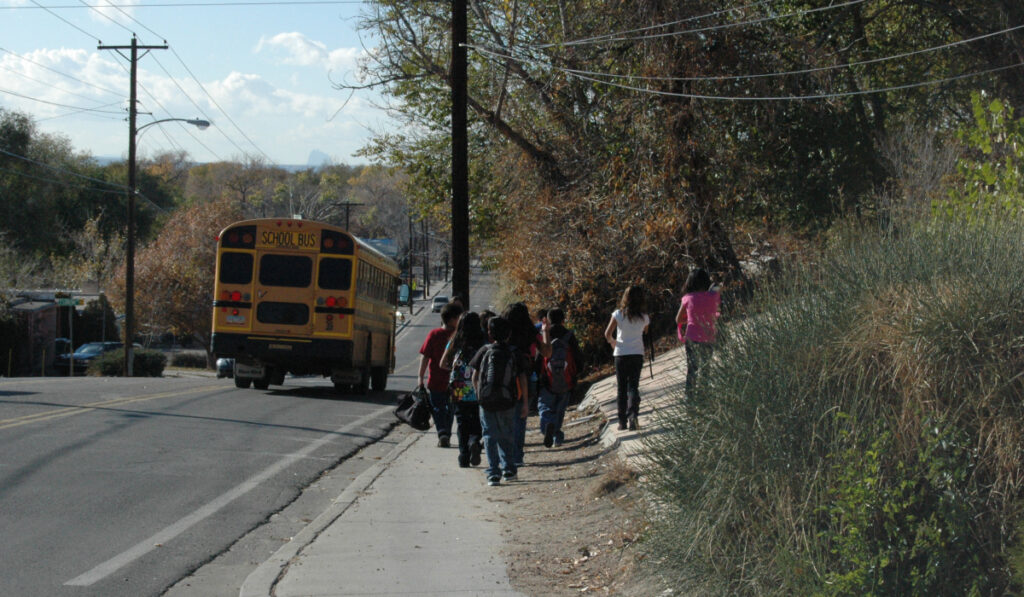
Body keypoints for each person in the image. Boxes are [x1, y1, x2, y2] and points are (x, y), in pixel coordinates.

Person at [470, 316, 528, 486]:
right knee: (507, 434)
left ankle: (493, 472)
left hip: (486, 402)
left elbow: (474, 376)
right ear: (509, 334)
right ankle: (508, 468)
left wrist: (479, 395)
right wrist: (524, 402)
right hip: (507, 400)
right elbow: (522, 378)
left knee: (489, 435)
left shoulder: (484, 350)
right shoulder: (514, 352)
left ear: (489, 333)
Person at [502, 302, 548, 466]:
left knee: (504, 419)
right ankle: (517, 456)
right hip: (527, 379)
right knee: (520, 419)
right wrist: (545, 332)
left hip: (504, 378)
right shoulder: (531, 333)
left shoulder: (504, 333)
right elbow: (547, 352)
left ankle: (506, 456)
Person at [439, 311, 486, 468]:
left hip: (458, 387)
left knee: (461, 422)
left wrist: (452, 369)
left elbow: (442, 363)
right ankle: (474, 441)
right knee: (477, 420)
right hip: (477, 385)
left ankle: (463, 456)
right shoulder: (483, 341)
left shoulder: (455, 341)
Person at [417, 302, 464, 447]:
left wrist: (420, 377)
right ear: (451, 319)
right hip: (458, 382)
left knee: (437, 408)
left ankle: (442, 432)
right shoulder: (460, 336)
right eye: (459, 318)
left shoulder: (434, 334)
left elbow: (425, 356)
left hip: (435, 381)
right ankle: (446, 434)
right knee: (452, 408)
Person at [604, 285, 650, 431]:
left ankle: (622, 422)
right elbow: (645, 332)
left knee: (621, 388)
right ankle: (633, 417)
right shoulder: (644, 317)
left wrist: (613, 342)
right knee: (633, 386)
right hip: (637, 353)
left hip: (621, 354)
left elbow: (607, 334)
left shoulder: (618, 314)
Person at [538, 307, 582, 447]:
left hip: (547, 380)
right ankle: (557, 436)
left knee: (544, 406)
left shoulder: (546, 335)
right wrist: (576, 375)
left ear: (549, 321)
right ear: (563, 320)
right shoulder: (569, 336)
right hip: (566, 380)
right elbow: (578, 357)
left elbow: (540, 357)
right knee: (560, 409)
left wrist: (538, 375)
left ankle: (548, 424)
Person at [676, 267, 721, 396]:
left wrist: (689, 319)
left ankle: (689, 399)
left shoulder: (687, 298)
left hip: (692, 337)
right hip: (709, 336)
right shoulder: (712, 295)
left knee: (692, 369)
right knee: (706, 367)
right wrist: (713, 286)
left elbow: (677, 319)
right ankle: (703, 397)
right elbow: (718, 287)